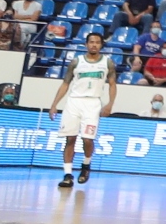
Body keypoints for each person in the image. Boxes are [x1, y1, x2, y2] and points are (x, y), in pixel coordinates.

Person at [49, 30, 118, 191]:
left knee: (87, 139)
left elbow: (113, 85)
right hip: (74, 102)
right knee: (70, 139)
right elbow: (65, 83)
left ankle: (86, 164)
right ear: (86, 44)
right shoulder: (76, 62)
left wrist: (110, 104)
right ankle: (67, 175)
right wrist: (54, 104)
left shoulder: (107, 63)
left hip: (93, 103)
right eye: (91, 42)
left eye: (97, 42)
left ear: (101, 45)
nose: (94, 44)